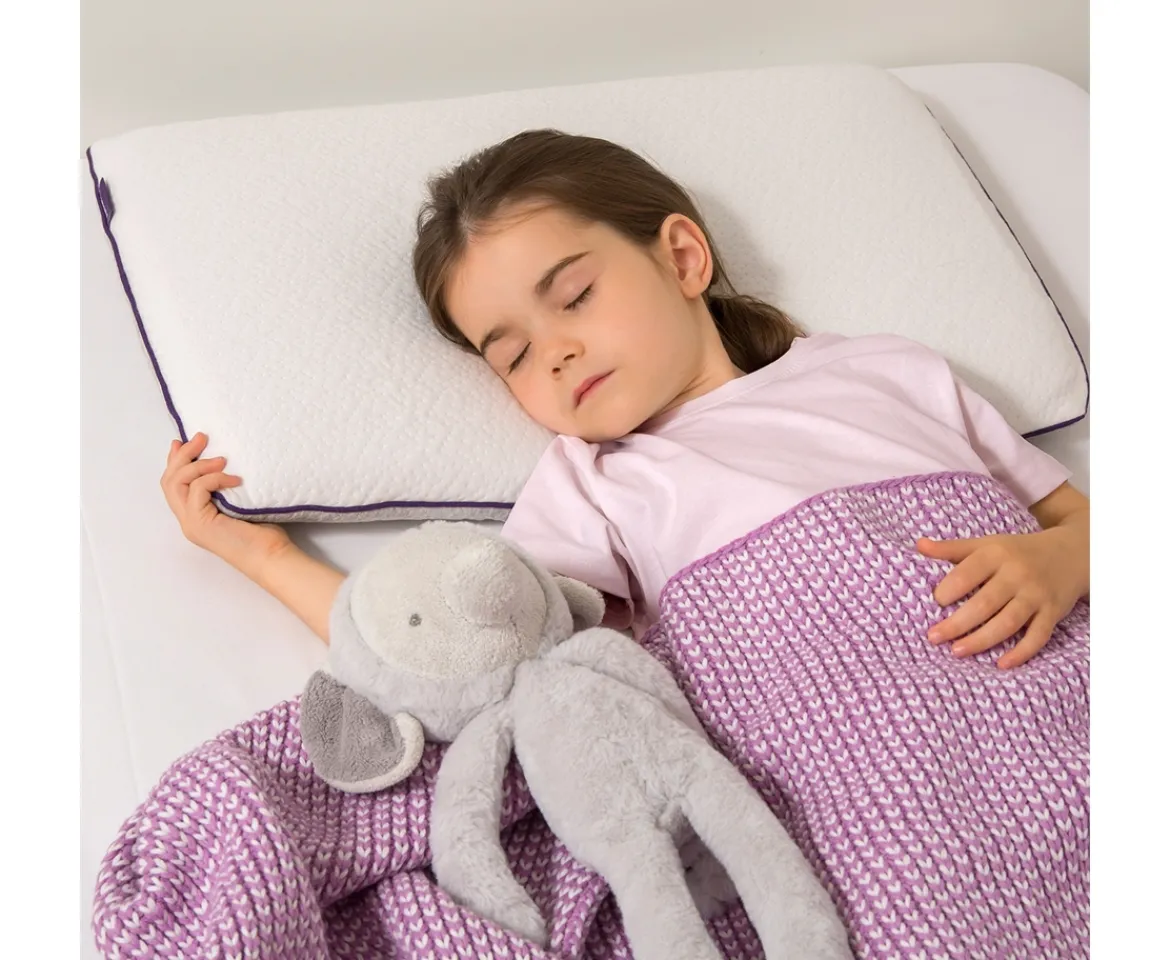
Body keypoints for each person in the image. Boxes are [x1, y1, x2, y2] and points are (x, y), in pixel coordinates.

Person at [161, 129, 1089, 669]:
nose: (557, 352)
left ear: (682, 257)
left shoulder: (887, 374)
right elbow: (452, 652)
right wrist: (263, 553)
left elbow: (1081, 522)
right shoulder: (594, 484)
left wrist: (1064, 560)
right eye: (514, 355)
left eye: (574, 297)